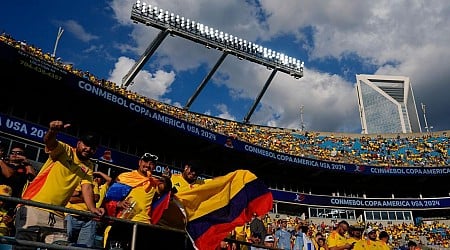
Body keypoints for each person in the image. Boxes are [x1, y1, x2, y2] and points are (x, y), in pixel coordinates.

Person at [14, 120, 104, 250]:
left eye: (93, 147)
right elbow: (49, 142)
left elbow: (87, 187)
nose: (88, 149)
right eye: (86, 144)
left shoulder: (88, 166)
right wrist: (52, 131)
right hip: (33, 206)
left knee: (60, 247)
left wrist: (92, 209)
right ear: (79, 143)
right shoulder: (65, 150)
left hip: (58, 214)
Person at [104, 152, 171, 250]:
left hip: (143, 226)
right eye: (145, 161)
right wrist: (118, 204)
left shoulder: (154, 182)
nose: (148, 165)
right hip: (123, 222)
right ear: (139, 162)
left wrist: (167, 178)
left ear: (154, 167)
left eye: (151, 164)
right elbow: (109, 198)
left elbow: (166, 188)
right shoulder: (125, 177)